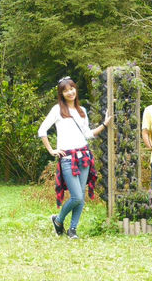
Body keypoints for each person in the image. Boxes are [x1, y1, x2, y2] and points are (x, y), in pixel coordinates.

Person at [38, 77, 113, 239]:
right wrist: (51, 150)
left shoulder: (82, 111)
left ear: (76, 90)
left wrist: (104, 124)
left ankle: (72, 229)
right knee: (76, 196)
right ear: (61, 94)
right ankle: (58, 220)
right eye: (65, 91)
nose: (70, 92)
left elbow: (87, 134)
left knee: (81, 197)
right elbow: (42, 130)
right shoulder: (57, 110)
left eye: (72, 89)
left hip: (84, 156)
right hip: (67, 158)